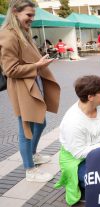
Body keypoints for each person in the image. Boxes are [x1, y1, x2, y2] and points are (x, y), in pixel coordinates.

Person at [0, 0, 60, 182]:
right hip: (22, 87)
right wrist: (37, 65)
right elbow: (10, 70)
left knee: (40, 122)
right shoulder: (8, 35)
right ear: (15, 12)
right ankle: (30, 170)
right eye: (29, 15)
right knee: (25, 128)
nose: (31, 19)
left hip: (33, 83)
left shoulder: (23, 31)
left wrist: (40, 61)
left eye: (32, 15)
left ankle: (32, 155)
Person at [54, 75, 100, 205]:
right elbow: (78, 153)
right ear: (90, 97)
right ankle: (82, 185)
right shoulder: (72, 122)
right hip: (79, 160)